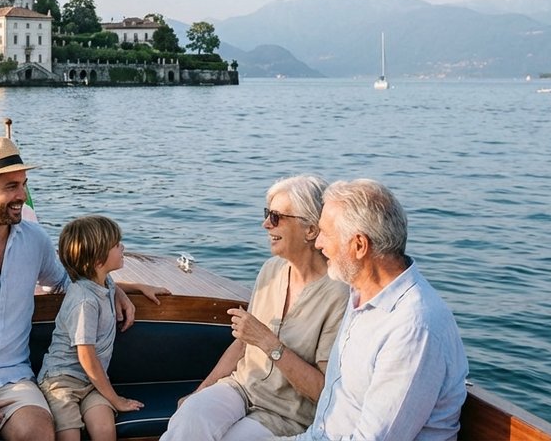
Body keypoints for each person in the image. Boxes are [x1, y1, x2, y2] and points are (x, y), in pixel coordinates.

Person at [0, 136, 169, 441]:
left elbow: (67, 282)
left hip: (15, 380)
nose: (23, 195)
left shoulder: (34, 240)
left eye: (24, 184)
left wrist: (116, 289)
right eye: (11, 187)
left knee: (38, 432)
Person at [162, 175, 348, 440]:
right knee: (190, 416)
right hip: (240, 388)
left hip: (286, 414)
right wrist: (198, 393)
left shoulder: (338, 294)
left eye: (277, 217)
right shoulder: (271, 270)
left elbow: (323, 390)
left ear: (311, 230)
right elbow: (241, 346)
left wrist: (268, 342)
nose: (265, 224)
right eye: (267, 214)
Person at [282, 179, 469, 441]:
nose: (318, 243)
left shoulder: (413, 327)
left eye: (325, 233)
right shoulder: (360, 292)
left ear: (359, 245)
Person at [38, 215, 143, 441]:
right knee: (69, 435)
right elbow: (86, 356)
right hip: (61, 381)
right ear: (98, 261)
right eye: (116, 245)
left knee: (105, 430)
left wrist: (141, 287)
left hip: (92, 382)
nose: (122, 247)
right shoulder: (85, 301)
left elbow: (115, 286)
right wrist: (115, 399)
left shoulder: (103, 281)